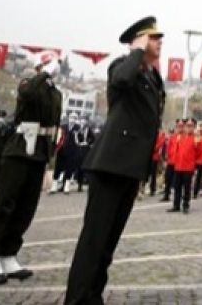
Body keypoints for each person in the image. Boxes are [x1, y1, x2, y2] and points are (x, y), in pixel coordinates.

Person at [65, 16, 166, 305]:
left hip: (130, 167)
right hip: (110, 165)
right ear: (139, 39)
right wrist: (136, 51)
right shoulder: (122, 67)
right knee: (94, 240)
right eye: (153, 37)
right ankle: (77, 300)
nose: (158, 42)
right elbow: (122, 79)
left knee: (108, 243)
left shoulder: (151, 76)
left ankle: (92, 296)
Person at [0, 51, 62, 284]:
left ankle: (8, 253)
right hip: (19, 150)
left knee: (26, 208)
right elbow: (29, 93)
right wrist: (43, 73)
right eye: (47, 65)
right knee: (5, 204)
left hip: (39, 153)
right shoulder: (28, 84)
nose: (54, 69)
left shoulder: (56, 93)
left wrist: (50, 157)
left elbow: (54, 125)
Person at [167, 120, 197, 214]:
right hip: (178, 166)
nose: (188, 127)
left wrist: (193, 163)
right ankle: (176, 205)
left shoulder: (196, 139)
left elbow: (199, 153)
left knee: (187, 188)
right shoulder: (180, 137)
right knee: (177, 187)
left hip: (188, 167)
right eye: (187, 125)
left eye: (190, 126)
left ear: (194, 127)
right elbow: (176, 151)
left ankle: (185, 205)